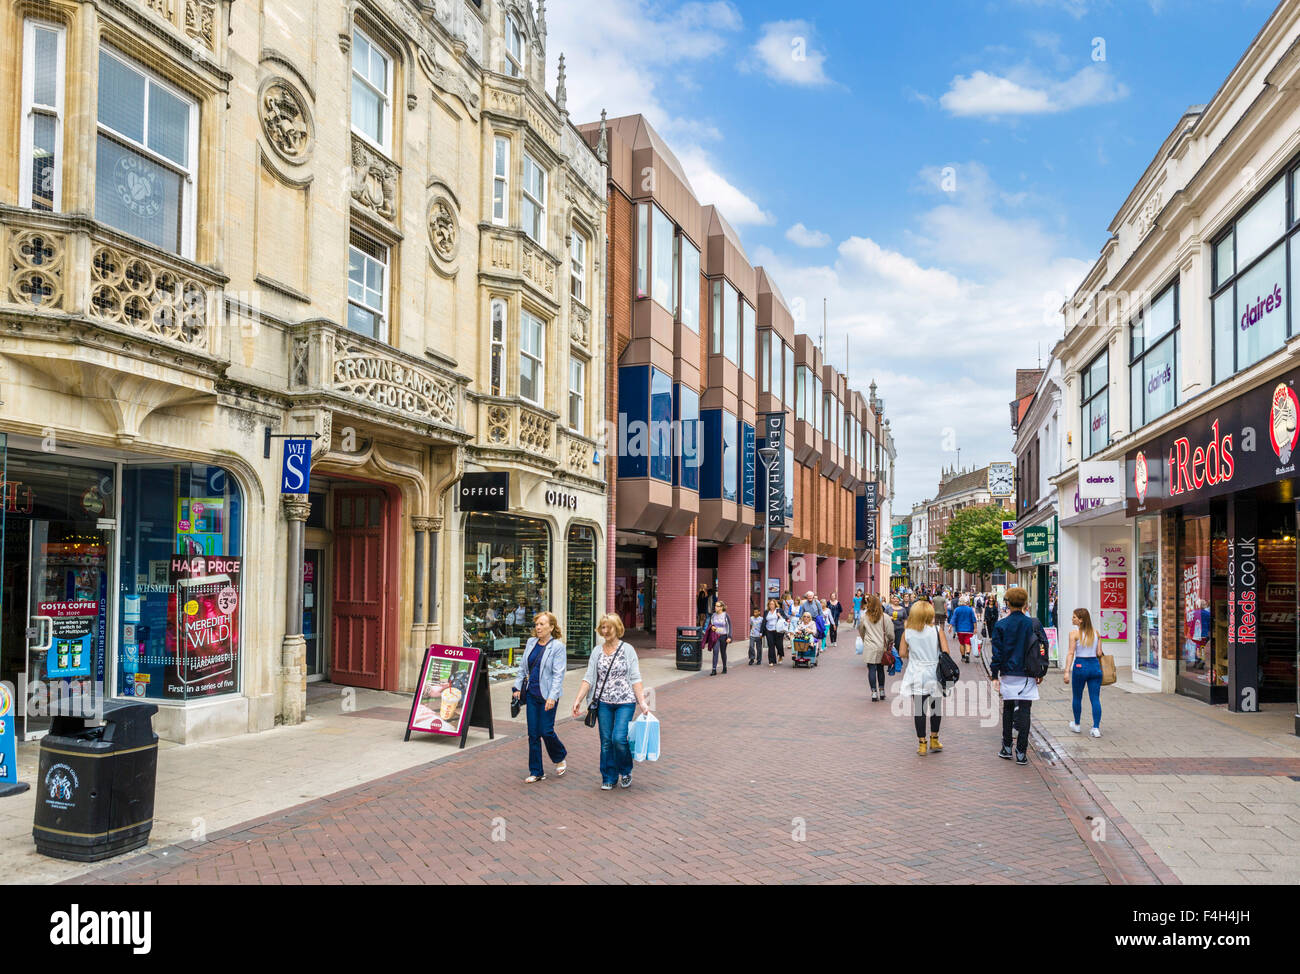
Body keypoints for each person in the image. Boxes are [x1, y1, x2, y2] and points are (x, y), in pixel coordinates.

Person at [571, 614, 649, 790]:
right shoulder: (597, 651)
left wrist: (642, 702)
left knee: (618, 738)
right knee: (606, 740)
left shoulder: (628, 650)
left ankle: (626, 770)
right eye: (603, 628)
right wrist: (578, 699)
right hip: (603, 702)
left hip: (625, 701)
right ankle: (609, 776)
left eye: (609, 627)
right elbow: (589, 678)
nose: (605, 631)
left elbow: (635, 677)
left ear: (618, 628)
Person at [991, 587, 1046, 766]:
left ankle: (1007, 747)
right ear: (1025, 603)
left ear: (1007, 603)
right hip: (1028, 672)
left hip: (1008, 672)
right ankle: (1021, 752)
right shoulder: (1034, 623)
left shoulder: (1000, 625)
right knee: (1025, 711)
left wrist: (994, 674)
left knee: (1007, 709)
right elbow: (1043, 647)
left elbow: (997, 653)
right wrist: (1041, 670)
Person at [512, 612, 568, 782]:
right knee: (533, 733)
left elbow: (559, 674)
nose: (538, 627)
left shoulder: (557, 647)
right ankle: (536, 771)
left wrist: (552, 696)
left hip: (548, 696)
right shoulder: (531, 643)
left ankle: (559, 756)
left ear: (551, 627)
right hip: (531, 694)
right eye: (536, 624)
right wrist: (517, 687)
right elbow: (523, 668)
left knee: (546, 731)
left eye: (542, 624)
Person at [899, 600, 950, 755]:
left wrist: (914, 654)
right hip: (934, 671)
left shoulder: (907, 632)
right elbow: (946, 652)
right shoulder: (936, 630)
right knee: (935, 707)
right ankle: (934, 739)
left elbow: (902, 653)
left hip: (916, 671)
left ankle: (922, 744)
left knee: (919, 709)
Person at [1064, 607, 1103, 737]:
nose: (1072, 619)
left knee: (1077, 697)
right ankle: (1096, 728)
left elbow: (1071, 653)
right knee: (1095, 698)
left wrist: (1066, 671)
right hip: (1095, 666)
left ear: (1081, 620)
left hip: (1080, 665)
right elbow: (1099, 653)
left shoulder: (1074, 634)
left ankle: (1077, 724)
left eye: (1074, 617)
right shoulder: (1096, 633)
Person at [857, 594, 895, 702]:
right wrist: (890, 642)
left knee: (871, 669)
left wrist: (866, 640)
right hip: (882, 646)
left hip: (870, 646)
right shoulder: (886, 618)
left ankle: (874, 692)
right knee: (880, 669)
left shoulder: (864, 617)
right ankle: (882, 690)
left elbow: (861, 631)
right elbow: (890, 633)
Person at [705, 599, 732, 675]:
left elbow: (729, 626)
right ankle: (714, 669)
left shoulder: (726, 615)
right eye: (715, 606)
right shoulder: (713, 615)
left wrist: (729, 637)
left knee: (723, 652)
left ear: (721, 607)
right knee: (715, 651)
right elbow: (711, 624)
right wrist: (712, 627)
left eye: (717, 606)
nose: (715, 607)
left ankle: (724, 667)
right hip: (715, 636)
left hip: (724, 636)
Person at [950, 594, 978, 664]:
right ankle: (968, 654)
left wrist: (950, 626)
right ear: (966, 602)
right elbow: (974, 619)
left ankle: (963, 657)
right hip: (969, 629)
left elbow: (953, 618)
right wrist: (975, 628)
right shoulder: (970, 609)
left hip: (960, 630)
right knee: (968, 643)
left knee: (962, 644)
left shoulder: (957, 610)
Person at [761, 598, 786, 667]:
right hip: (769, 631)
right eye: (770, 604)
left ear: (775, 605)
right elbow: (764, 621)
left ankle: (780, 655)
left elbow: (785, 618)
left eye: (772, 604)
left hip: (778, 631)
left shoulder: (779, 610)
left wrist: (780, 616)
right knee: (771, 646)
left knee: (779, 645)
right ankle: (771, 660)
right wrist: (762, 632)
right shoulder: (766, 612)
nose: (771, 605)